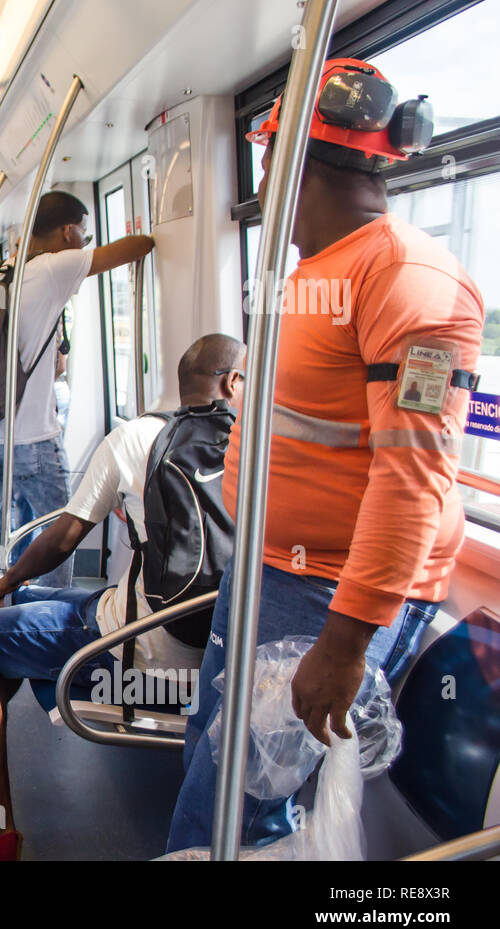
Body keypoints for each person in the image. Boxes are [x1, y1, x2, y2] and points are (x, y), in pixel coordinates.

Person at [167, 59, 485, 852]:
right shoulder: (310, 274)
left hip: (323, 596)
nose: (264, 177)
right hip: (266, 567)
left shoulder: (407, 281)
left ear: (292, 162)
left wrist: (343, 644)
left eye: (269, 159)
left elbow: (412, 479)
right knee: (210, 753)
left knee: (238, 798)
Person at [0, 335, 245, 860]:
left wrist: (7, 581)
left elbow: (64, 536)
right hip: (213, 668)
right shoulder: (264, 452)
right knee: (22, 630)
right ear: (233, 382)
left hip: (133, 658)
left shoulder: (140, 436)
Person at [0, 191, 155, 617]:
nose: (83, 239)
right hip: (28, 434)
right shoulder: (56, 265)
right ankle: (36, 620)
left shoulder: (5, 269)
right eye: (83, 231)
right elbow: (139, 246)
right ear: (68, 230)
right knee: (58, 530)